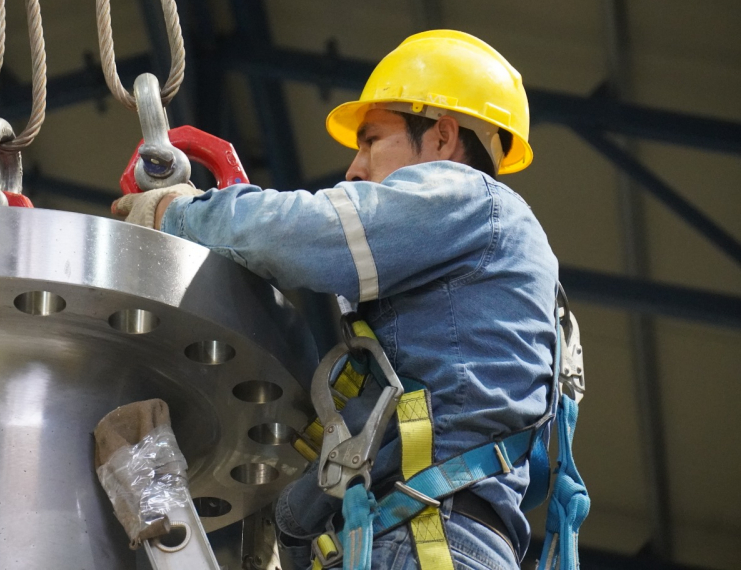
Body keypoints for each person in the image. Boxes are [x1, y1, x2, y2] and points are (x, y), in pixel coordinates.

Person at [113, 30, 558, 570]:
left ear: (442, 137)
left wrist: (180, 214)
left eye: (372, 140)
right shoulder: (482, 261)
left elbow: (311, 234)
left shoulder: (471, 202)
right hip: (418, 535)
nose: (354, 167)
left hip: (425, 540)